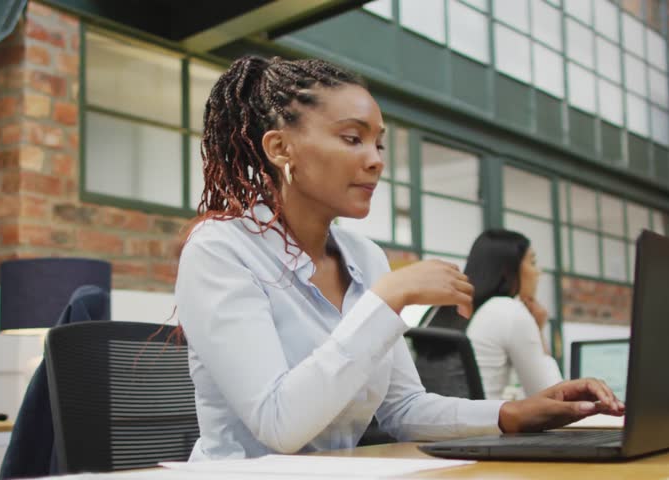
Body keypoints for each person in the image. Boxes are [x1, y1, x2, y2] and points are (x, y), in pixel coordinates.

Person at [174, 55, 623, 461]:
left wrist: (513, 413)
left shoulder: (364, 257)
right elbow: (278, 424)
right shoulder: (220, 251)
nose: (375, 161)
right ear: (279, 149)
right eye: (352, 138)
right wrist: (386, 299)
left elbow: (403, 409)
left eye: (379, 145)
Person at [431, 230, 563, 399]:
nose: (538, 272)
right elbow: (552, 398)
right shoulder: (508, 309)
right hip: (479, 423)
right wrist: (538, 331)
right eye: (532, 262)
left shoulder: (445, 308)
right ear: (510, 269)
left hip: (438, 421)